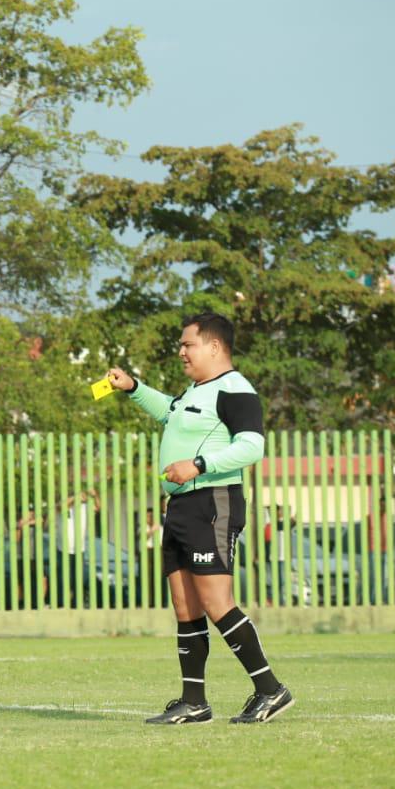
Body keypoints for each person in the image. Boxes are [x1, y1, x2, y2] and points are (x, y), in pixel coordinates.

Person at [106, 310, 294, 724]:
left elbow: (252, 447)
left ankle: (271, 689)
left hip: (213, 501)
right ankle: (194, 702)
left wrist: (198, 464)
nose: (181, 352)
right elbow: (169, 412)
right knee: (185, 605)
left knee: (215, 602)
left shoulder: (235, 389)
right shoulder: (197, 390)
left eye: (187, 344)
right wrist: (134, 387)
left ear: (214, 346)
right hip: (181, 507)